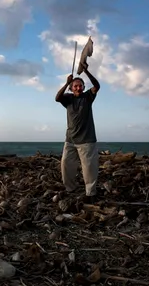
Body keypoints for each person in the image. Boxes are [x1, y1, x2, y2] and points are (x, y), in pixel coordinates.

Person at [55, 62, 100, 203]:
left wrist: (86, 71)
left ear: (83, 87)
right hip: (70, 140)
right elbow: (57, 97)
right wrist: (66, 82)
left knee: (89, 169)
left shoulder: (87, 97)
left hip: (87, 140)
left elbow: (97, 86)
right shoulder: (67, 99)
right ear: (71, 88)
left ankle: (90, 194)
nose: (78, 87)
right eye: (75, 86)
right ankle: (70, 189)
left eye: (80, 85)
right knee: (66, 165)